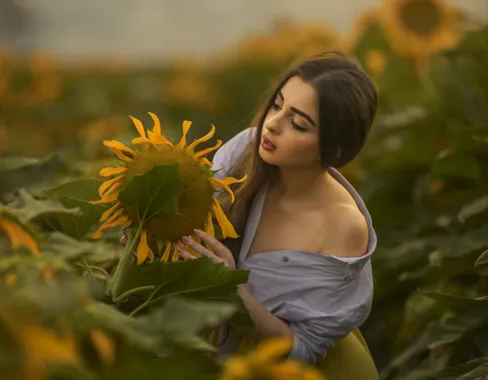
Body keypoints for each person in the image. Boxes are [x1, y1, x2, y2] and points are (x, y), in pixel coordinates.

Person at [122, 51, 379, 380]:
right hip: (208, 349)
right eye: (277, 105)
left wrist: (230, 287)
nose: (272, 124)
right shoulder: (245, 151)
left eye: (297, 123)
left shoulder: (343, 226)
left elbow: (301, 350)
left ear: (336, 150)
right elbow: (194, 238)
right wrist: (151, 231)